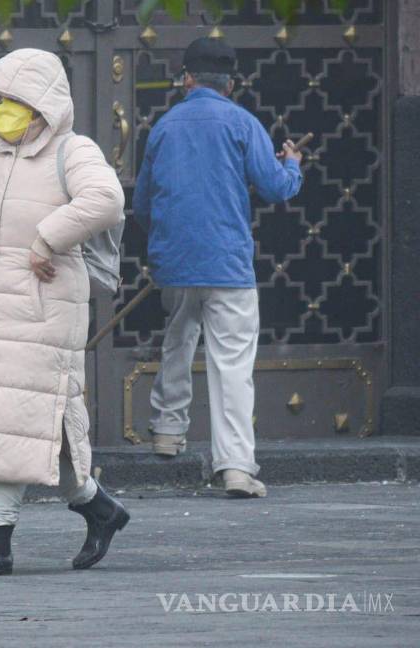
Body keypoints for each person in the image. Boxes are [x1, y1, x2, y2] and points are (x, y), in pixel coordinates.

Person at [0, 49, 130, 577]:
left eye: (17, 101)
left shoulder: (71, 150)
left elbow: (106, 199)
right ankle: (99, 507)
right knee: (32, 422)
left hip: (45, 307)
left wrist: (46, 237)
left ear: (43, 105)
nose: (5, 110)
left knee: (10, 417)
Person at [133, 38, 303, 498]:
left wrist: (167, 243)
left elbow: (142, 202)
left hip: (176, 261)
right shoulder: (243, 123)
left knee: (178, 340)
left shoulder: (164, 127)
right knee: (231, 365)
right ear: (230, 82)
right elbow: (274, 188)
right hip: (227, 264)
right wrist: (293, 166)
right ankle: (235, 468)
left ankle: (167, 431)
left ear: (187, 78)